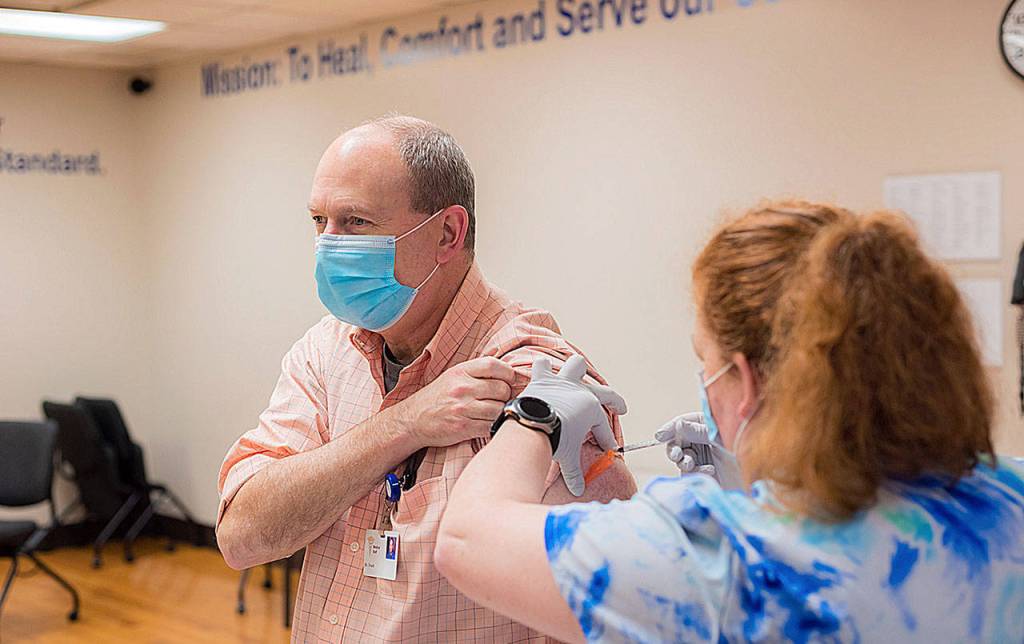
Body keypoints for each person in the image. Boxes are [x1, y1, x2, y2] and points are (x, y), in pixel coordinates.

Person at [436, 201, 1024, 642]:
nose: (705, 381)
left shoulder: (723, 557)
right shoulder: (1010, 497)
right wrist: (755, 485)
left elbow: (466, 539)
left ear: (745, 382)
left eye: (706, 361)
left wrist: (536, 414)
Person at [215, 116, 636, 642]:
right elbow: (242, 537)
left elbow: (614, 595)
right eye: (319, 221)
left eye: (356, 222)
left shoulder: (533, 373)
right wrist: (405, 425)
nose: (328, 244)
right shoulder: (328, 351)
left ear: (447, 233)